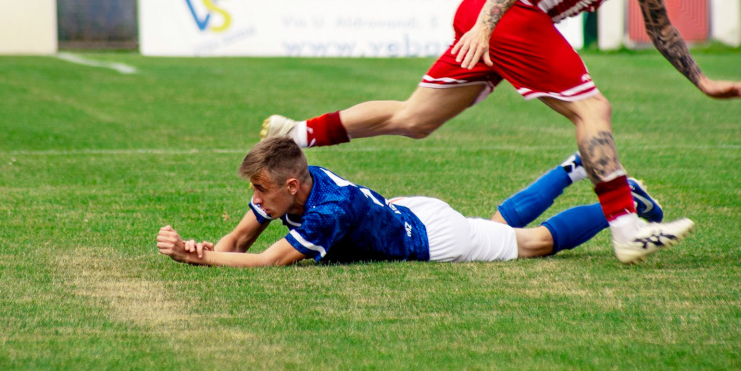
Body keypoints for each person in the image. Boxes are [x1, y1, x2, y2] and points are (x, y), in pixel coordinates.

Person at [259, 0, 741, 263]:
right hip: (510, 14)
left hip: (494, 17)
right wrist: (485, 28)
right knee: (593, 108)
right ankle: (625, 225)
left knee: (416, 119)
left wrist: (704, 82)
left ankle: (299, 132)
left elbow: (660, 26)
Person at [156, 138, 693, 268]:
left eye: (259, 190)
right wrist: (208, 249)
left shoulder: (325, 212)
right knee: (499, 223)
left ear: (291, 186)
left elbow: (267, 262)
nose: (254, 198)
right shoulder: (290, 186)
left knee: (531, 243)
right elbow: (242, 242)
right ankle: (572, 168)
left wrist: (194, 256)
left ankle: (618, 203)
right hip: (408, 210)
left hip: (431, 238)